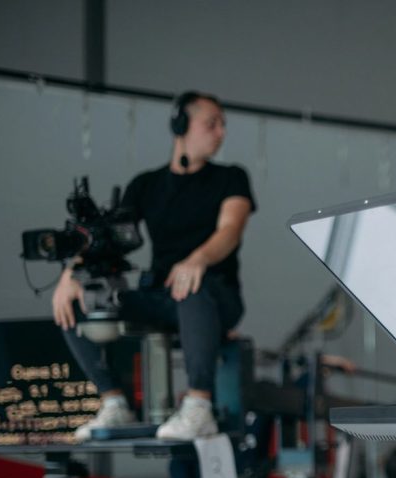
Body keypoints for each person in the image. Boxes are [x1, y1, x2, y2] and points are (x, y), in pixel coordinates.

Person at [52, 90, 255, 441]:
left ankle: (198, 407)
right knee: (76, 298)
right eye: (212, 124)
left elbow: (230, 230)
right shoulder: (146, 185)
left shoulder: (231, 177)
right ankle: (114, 402)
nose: (220, 132)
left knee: (190, 286)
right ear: (181, 126)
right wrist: (73, 273)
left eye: (223, 125)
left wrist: (197, 260)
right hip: (161, 296)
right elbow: (108, 238)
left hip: (216, 295)